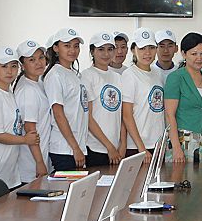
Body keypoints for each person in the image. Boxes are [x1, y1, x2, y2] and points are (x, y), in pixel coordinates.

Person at [0, 46, 38, 188]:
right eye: (4, 66)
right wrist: (25, 140)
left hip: (10, 167)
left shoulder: (9, 93)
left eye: (13, 66)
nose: (9, 71)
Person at [165, 32, 202, 163]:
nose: (199, 58)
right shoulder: (175, 78)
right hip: (183, 141)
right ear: (184, 54)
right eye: (194, 54)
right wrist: (176, 147)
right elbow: (169, 115)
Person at [43, 28, 89, 170]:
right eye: (67, 46)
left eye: (76, 46)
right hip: (65, 150)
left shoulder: (74, 74)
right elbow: (58, 114)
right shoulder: (55, 75)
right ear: (56, 48)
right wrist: (74, 147)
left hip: (77, 147)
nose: (72, 50)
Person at [121, 28, 167, 163]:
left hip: (158, 145)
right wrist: (141, 148)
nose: (147, 53)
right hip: (138, 147)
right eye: (142, 48)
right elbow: (126, 115)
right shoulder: (129, 75)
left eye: (151, 48)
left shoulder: (158, 73)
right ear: (133, 50)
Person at [81, 32, 126, 167]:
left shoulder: (117, 77)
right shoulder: (86, 76)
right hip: (95, 148)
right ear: (92, 51)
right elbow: (88, 117)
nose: (106, 54)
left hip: (116, 149)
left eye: (110, 49)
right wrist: (109, 146)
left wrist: (122, 143)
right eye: (101, 49)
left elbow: (121, 114)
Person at [14, 40, 51, 181]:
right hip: (31, 165)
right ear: (22, 65)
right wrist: (39, 162)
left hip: (40, 157)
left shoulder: (37, 82)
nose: (38, 63)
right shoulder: (27, 90)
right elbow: (30, 129)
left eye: (41, 57)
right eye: (32, 60)